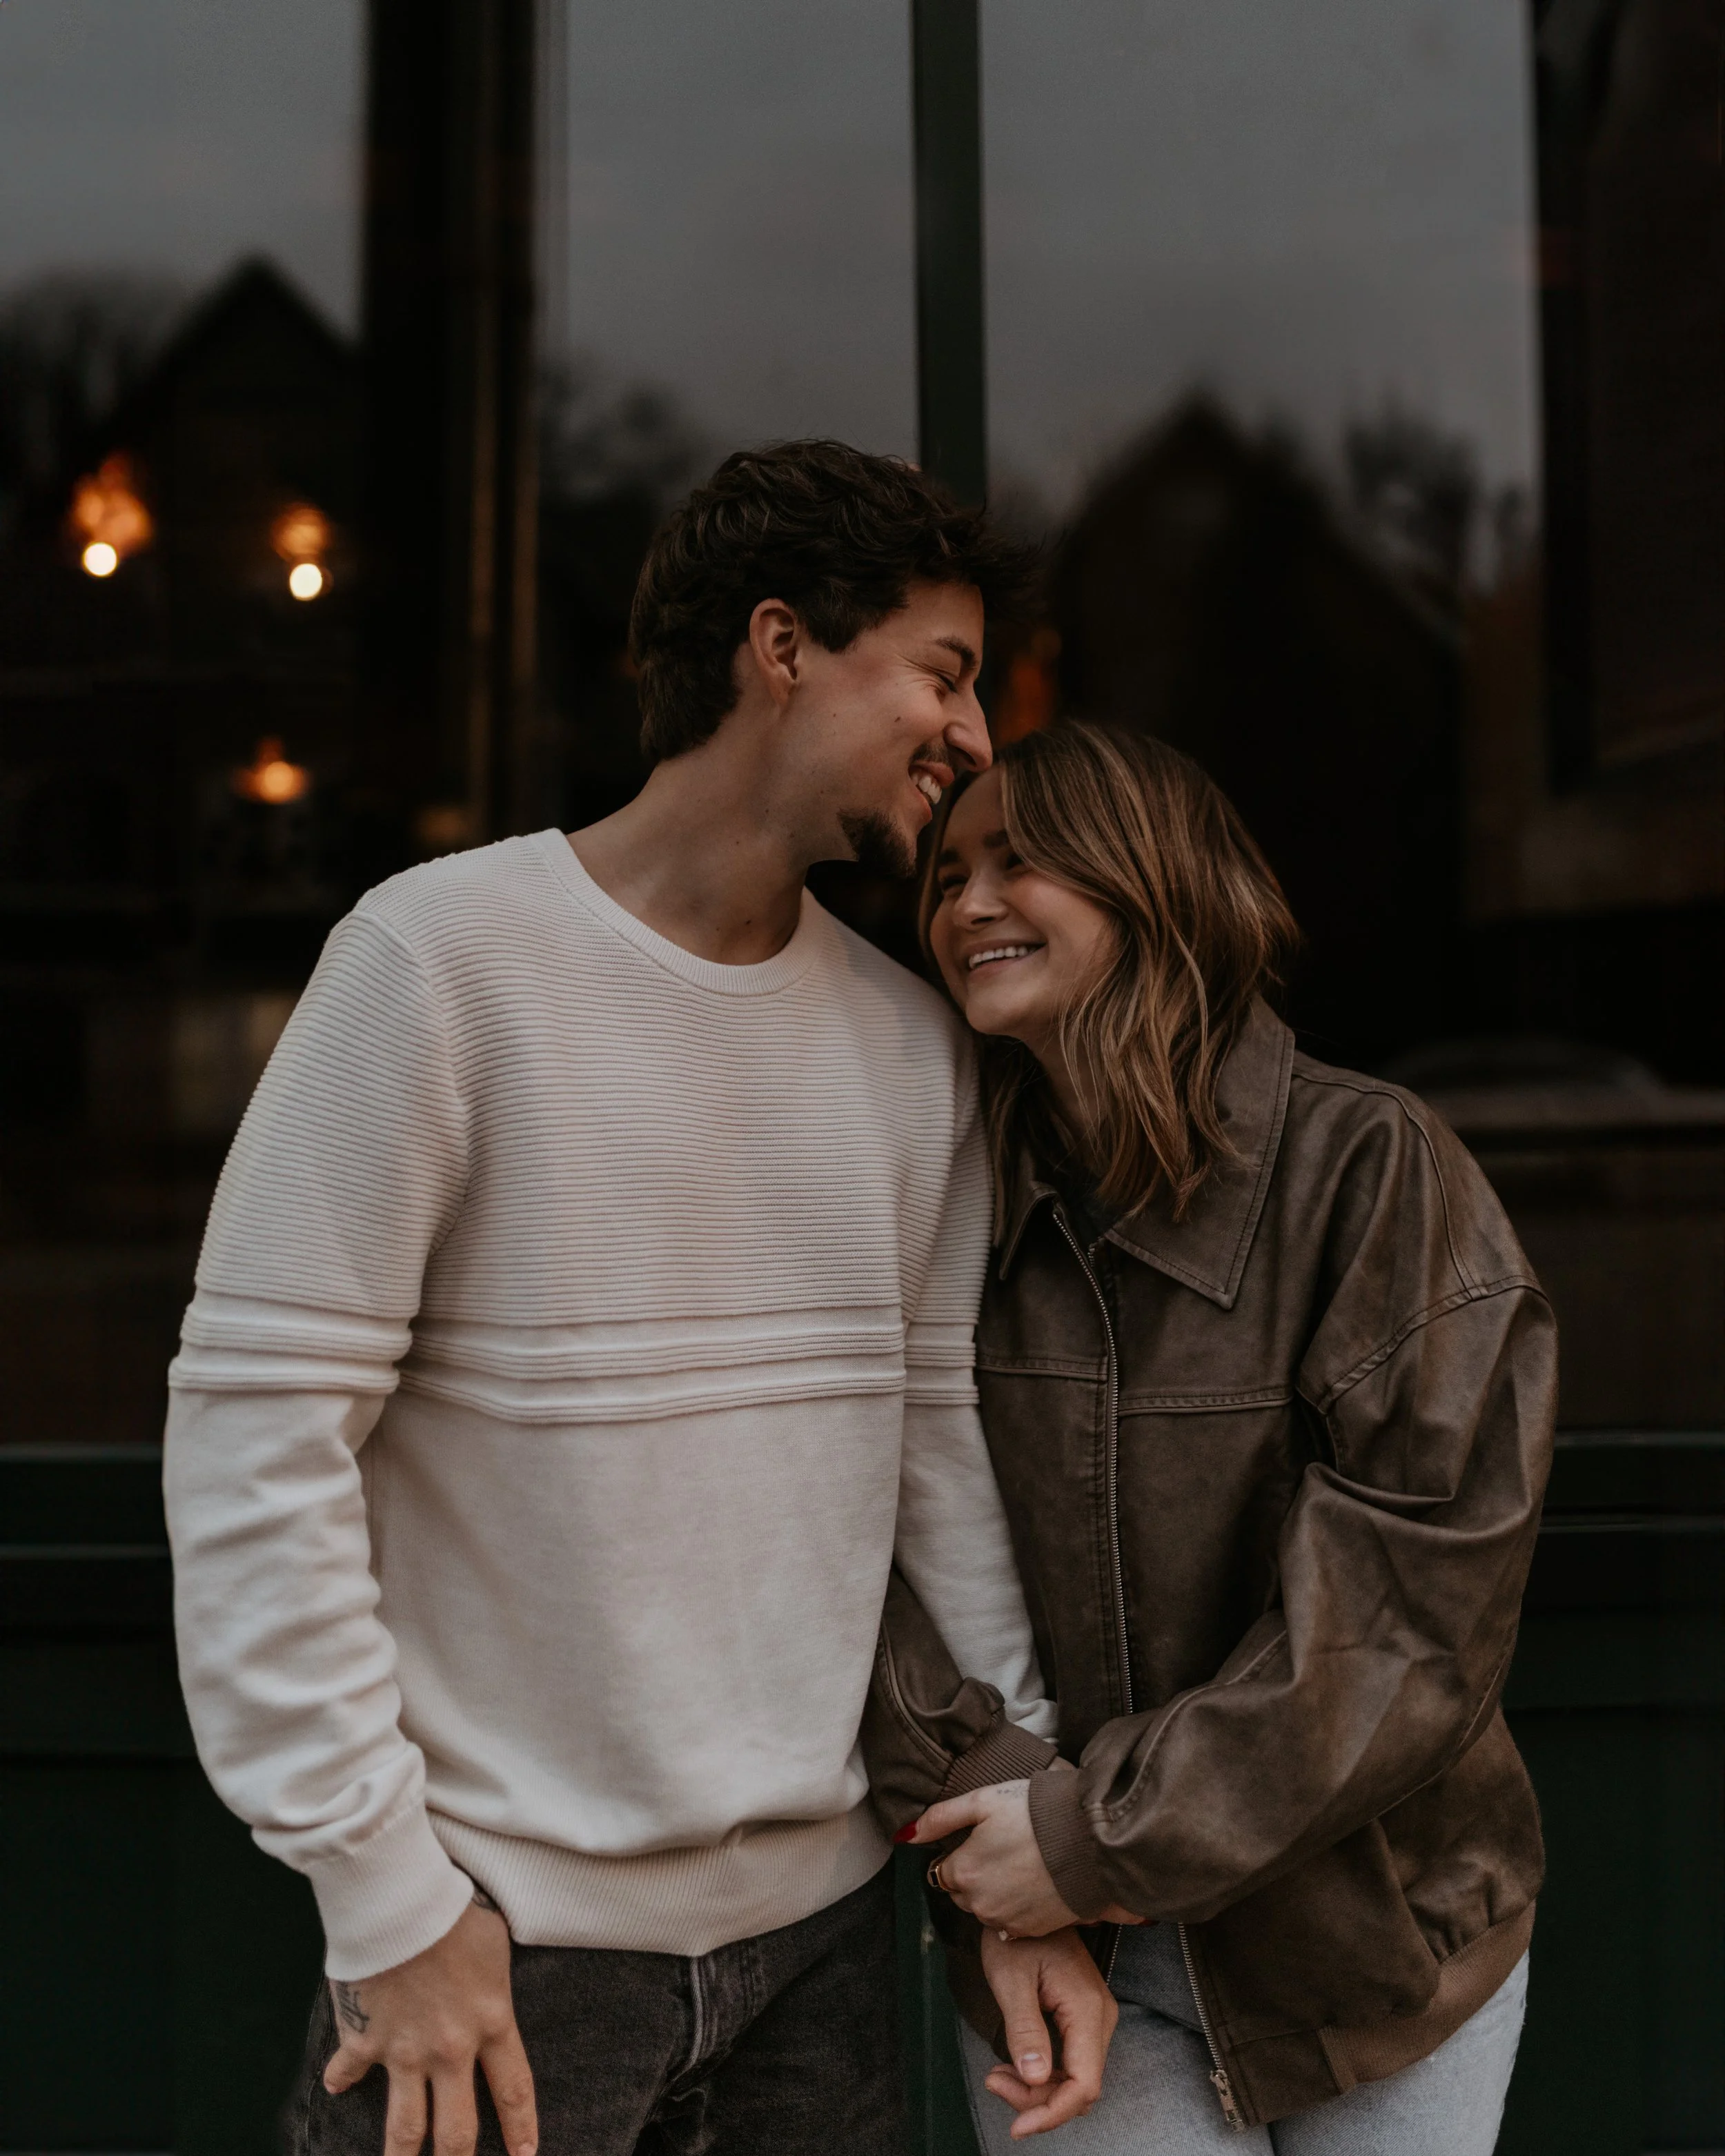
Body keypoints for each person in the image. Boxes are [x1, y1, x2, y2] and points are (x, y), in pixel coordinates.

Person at [163, 443, 1118, 2156]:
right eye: (942, 672)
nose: (973, 737)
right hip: (499, 1962)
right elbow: (257, 1444)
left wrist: (1013, 1848)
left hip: (821, 1961)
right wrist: (386, 1900)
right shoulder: (434, 962)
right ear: (778, 646)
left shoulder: (910, 1046)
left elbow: (941, 1481)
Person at [875, 722, 1555, 2152]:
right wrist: (990, 1820)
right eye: (947, 875)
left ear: (1156, 884)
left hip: (1376, 1949)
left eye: (1022, 860)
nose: (967, 904)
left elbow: (1410, 1604)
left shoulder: (1367, 1170)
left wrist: (1091, 1839)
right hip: (1064, 1959)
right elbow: (844, 1527)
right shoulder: (932, 1193)